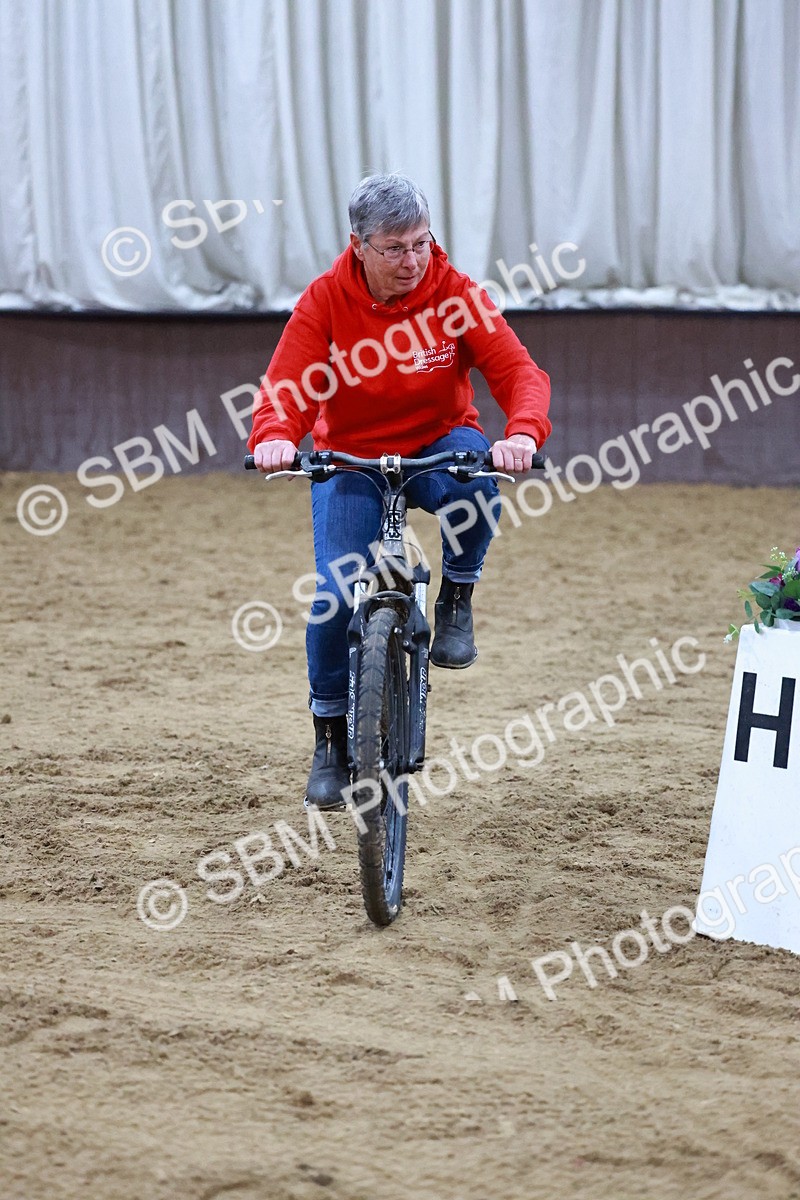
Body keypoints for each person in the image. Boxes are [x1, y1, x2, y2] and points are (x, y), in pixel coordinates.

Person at [248, 173, 551, 808]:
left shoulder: (458, 295)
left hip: (442, 440)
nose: (411, 260)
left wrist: (521, 432)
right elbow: (287, 384)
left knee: (477, 488)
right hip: (352, 455)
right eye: (394, 248)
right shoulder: (325, 299)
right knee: (333, 597)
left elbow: (518, 371)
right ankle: (330, 738)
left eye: (420, 242)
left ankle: (456, 598)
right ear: (357, 243)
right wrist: (275, 435)